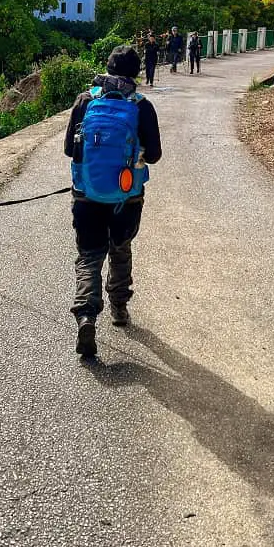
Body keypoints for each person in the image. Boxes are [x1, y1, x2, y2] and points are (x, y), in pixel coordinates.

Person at [64, 45, 163, 357]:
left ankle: (86, 315)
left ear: (106, 68)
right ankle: (119, 308)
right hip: (127, 196)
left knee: (89, 255)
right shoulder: (141, 105)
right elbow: (156, 155)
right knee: (120, 249)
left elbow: (70, 149)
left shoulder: (85, 100)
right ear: (135, 73)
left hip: (86, 194)